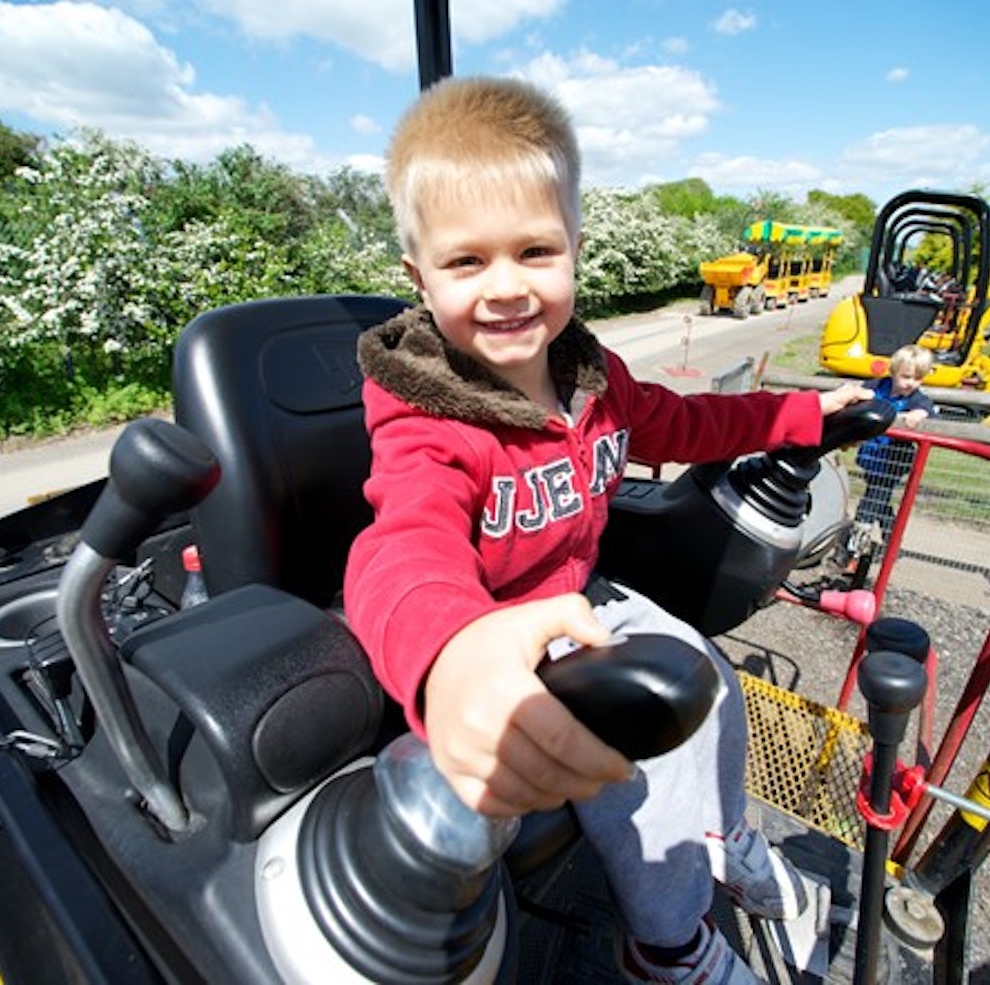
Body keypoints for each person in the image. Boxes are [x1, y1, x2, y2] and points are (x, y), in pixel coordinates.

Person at [343, 76, 871, 985]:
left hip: (580, 597)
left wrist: (802, 416)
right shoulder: (427, 418)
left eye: (535, 252)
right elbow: (403, 548)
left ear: (575, 251)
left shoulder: (590, 377)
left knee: (706, 677)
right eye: (467, 263)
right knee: (641, 760)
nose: (507, 288)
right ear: (418, 276)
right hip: (498, 629)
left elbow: (684, 424)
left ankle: (729, 837)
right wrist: (453, 652)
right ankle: (667, 946)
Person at [853, 344, 937, 540]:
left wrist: (918, 414)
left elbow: (927, 409)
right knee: (880, 499)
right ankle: (892, 537)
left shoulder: (916, 399)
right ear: (893, 372)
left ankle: (852, 547)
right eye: (906, 377)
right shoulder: (878, 386)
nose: (911, 384)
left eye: (918, 379)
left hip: (893, 459)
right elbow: (859, 390)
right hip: (872, 455)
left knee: (871, 500)